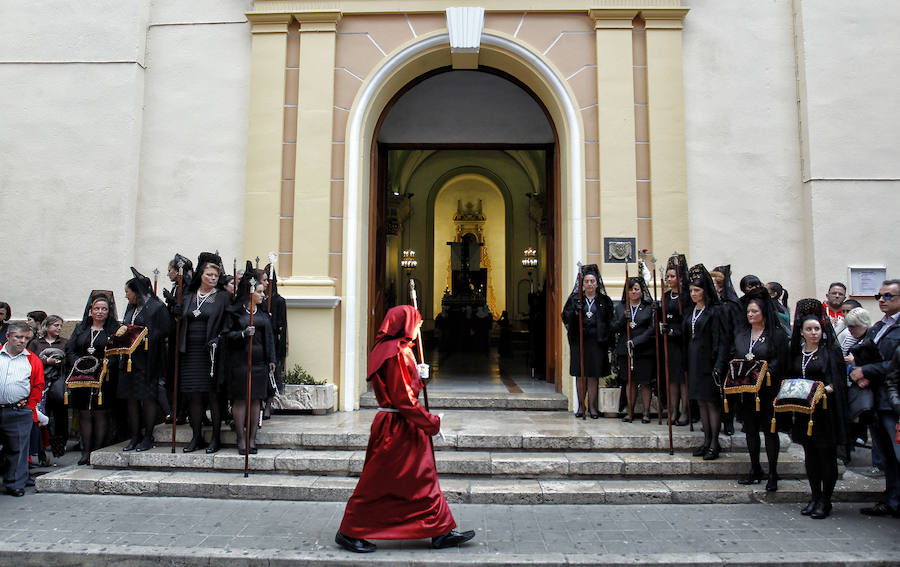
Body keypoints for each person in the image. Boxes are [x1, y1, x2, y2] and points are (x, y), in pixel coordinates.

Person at [335, 305, 475, 553]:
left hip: (399, 425)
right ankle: (349, 530)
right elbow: (404, 400)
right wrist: (431, 423)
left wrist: (419, 379)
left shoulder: (390, 349)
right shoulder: (398, 352)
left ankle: (439, 528)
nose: (420, 326)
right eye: (418, 322)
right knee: (377, 482)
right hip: (398, 428)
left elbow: (403, 390)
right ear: (406, 324)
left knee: (423, 480)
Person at [724, 288, 789, 491]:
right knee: (751, 431)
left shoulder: (775, 334)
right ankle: (755, 468)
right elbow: (735, 354)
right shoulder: (743, 334)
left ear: (764, 313)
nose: (750, 315)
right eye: (749, 312)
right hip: (748, 391)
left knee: (770, 431)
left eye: (754, 312)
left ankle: (773, 472)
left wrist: (763, 370)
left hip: (768, 390)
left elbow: (781, 360)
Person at [789, 300, 849, 519]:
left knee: (826, 456)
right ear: (802, 332)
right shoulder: (797, 354)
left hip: (825, 412)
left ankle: (826, 499)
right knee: (811, 456)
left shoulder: (829, 353)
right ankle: (814, 496)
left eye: (817, 329)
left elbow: (838, 381)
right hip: (806, 413)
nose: (814, 333)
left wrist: (827, 389)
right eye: (809, 329)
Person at [851, 279, 900, 517]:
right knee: (886, 456)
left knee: (897, 452)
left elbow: (895, 363)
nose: (881, 300)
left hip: (894, 401)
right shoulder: (880, 326)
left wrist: (868, 371)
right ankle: (892, 500)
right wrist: (860, 370)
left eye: (888, 296)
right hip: (876, 398)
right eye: (880, 295)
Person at [177, 252, 230, 453]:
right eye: (209, 275)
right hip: (190, 352)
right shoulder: (189, 296)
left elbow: (227, 322)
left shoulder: (222, 297)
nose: (212, 278)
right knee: (193, 396)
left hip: (211, 353)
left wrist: (219, 338)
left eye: (215, 276)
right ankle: (196, 436)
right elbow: (182, 319)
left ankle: (215, 438)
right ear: (201, 275)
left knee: (213, 396)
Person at [222, 264, 276, 454]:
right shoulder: (235, 313)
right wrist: (243, 334)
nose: (263, 295)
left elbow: (269, 339)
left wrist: (272, 360)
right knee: (240, 400)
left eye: (263, 292)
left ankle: (252, 438)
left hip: (260, 362)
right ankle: (241, 438)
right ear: (250, 292)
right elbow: (227, 335)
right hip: (240, 361)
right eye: (259, 292)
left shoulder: (262, 315)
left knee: (256, 400)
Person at [117, 268, 170, 452]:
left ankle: (148, 435)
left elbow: (165, 331)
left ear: (137, 291)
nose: (126, 296)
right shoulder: (131, 307)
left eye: (128, 292)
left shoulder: (157, 307)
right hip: (129, 360)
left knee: (147, 399)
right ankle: (134, 435)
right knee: (131, 400)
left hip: (148, 360)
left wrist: (144, 335)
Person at [65, 291, 119, 465]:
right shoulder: (81, 327)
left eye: (103, 309)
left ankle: (98, 450)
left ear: (108, 311)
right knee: (84, 414)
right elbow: (70, 349)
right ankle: (86, 450)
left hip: (104, 377)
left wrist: (103, 366)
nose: (100, 312)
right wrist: (79, 364)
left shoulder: (113, 329)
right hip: (81, 376)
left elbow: (116, 352)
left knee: (100, 413)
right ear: (91, 310)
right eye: (96, 308)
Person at [684, 264, 728, 460]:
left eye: (697, 290)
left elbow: (722, 339)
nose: (693, 293)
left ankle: (714, 443)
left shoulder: (715, 311)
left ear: (705, 291)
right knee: (701, 402)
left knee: (711, 402)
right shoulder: (692, 310)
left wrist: (719, 364)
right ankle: (706, 439)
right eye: (691, 290)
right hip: (694, 360)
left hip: (709, 361)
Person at [561, 264, 613, 419]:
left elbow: (610, 320)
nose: (590, 284)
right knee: (580, 373)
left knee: (593, 374)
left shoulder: (604, 300)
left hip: (597, 342)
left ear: (597, 283)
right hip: (580, 341)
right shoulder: (575, 299)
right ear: (582, 284)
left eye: (592, 281)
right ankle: (580, 406)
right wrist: (575, 312)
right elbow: (565, 316)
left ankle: (592, 407)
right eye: (587, 281)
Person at [0, 322, 45, 497]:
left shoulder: (32, 359)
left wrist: (29, 407)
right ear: (8, 336)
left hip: (18, 410)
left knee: (18, 449)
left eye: (26, 338)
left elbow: (38, 386)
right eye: (18, 337)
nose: (22, 341)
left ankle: (15, 483)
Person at [614, 274, 656, 423]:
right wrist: (622, 319)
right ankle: (629, 411)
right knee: (629, 382)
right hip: (626, 350)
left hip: (644, 349)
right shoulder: (620, 307)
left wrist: (637, 341)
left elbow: (651, 329)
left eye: (636, 289)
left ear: (641, 291)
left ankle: (646, 412)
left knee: (645, 382)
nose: (633, 292)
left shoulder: (648, 307)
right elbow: (614, 328)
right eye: (630, 289)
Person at [26, 315, 68, 458]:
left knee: (60, 414)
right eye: (56, 325)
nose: (59, 328)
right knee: (42, 414)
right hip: (40, 384)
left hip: (58, 382)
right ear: (47, 326)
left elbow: (68, 360)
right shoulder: (36, 343)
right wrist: (46, 361)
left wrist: (58, 362)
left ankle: (59, 444)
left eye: (60, 326)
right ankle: (42, 447)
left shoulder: (64, 342)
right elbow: (30, 360)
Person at [662, 254, 691, 426]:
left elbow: (687, 321)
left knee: (682, 380)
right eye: (668, 276)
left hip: (682, 342)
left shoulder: (686, 297)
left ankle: (685, 412)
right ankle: (673, 410)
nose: (669, 279)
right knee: (671, 379)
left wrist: (675, 331)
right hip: (668, 343)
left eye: (672, 276)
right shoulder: (666, 296)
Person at [261, 262, 288, 420]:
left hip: (272, 342)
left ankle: (268, 405)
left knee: (272, 376)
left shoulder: (279, 301)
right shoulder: (258, 299)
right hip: (259, 340)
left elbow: (282, 326)